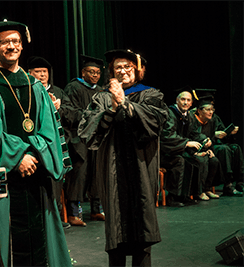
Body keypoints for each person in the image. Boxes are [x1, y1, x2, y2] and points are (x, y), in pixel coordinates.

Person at [0, 20, 72, 267]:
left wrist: (35, 155)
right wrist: (18, 156)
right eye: (5, 42)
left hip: (36, 177)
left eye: (16, 41)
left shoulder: (34, 86)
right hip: (3, 176)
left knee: (38, 240)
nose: (11, 46)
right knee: (5, 241)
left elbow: (49, 129)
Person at [78, 49, 168, 266]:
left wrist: (126, 105)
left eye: (128, 67)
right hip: (112, 169)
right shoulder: (101, 97)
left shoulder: (151, 94)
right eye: (118, 67)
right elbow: (87, 130)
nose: (123, 71)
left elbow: (156, 122)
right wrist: (112, 108)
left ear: (137, 71)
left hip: (141, 168)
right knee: (116, 234)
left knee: (142, 230)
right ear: (111, 72)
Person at [27, 56, 75, 229]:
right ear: (29, 73)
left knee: (56, 182)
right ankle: (41, 218)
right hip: (35, 146)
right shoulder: (27, 91)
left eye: (44, 72)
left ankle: (56, 218)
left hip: (56, 146)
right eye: (37, 72)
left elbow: (73, 116)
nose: (41, 75)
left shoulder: (60, 92)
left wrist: (59, 109)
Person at [160, 87, 221, 207]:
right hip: (166, 152)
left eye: (188, 100)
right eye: (183, 99)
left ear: (192, 103)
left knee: (196, 160)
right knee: (181, 161)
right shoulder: (170, 113)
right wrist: (187, 143)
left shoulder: (189, 116)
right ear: (177, 100)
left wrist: (204, 138)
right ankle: (173, 196)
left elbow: (194, 133)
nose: (185, 102)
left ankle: (186, 195)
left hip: (179, 149)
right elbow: (168, 136)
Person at [64, 54, 105, 226]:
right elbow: (68, 111)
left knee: (97, 172)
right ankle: (74, 213)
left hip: (96, 137)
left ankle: (96, 210)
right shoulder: (73, 87)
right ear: (83, 72)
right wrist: (90, 118)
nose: (94, 75)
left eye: (97, 73)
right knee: (79, 173)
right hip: (78, 137)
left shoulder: (101, 91)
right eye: (91, 72)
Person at [190, 93, 244, 196]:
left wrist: (228, 133)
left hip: (213, 145)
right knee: (224, 149)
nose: (211, 111)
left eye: (212, 108)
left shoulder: (214, 118)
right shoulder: (191, 119)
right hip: (205, 147)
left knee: (235, 148)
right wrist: (214, 135)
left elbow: (221, 131)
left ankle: (240, 182)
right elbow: (194, 136)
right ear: (199, 110)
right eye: (208, 108)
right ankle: (228, 184)